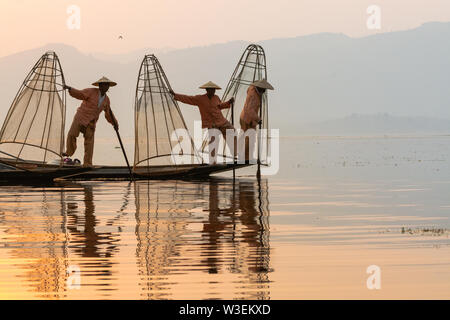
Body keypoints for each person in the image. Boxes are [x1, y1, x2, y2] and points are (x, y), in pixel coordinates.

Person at [169, 81, 235, 161]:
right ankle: (212, 161)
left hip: (221, 121)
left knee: (232, 131)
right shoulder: (200, 99)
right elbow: (188, 99)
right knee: (214, 142)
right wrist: (175, 95)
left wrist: (229, 102)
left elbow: (220, 106)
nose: (214, 91)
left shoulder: (216, 97)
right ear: (207, 90)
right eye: (212, 90)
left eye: (214, 90)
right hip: (211, 124)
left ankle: (234, 152)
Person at [62, 76, 119, 167]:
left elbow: (109, 114)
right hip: (80, 117)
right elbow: (80, 94)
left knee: (89, 144)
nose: (106, 87)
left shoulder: (106, 100)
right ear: (100, 86)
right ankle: (69, 152)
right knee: (72, 134)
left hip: (91, 123)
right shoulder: (91, 92)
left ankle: (87, 164)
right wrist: (70, 88)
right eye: (104, 85)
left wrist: (115, 124)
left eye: (107, 85)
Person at [239, 79, 274, 162]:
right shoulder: (254, 95)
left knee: (250, 139)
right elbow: (250, 109)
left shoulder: (252, 89)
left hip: (247, 119)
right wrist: (258, 119)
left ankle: (247, 156)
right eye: (263, 89)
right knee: (249, 139)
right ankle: (245, 157)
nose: (264, 91)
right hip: (247, 120)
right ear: (260, 88)